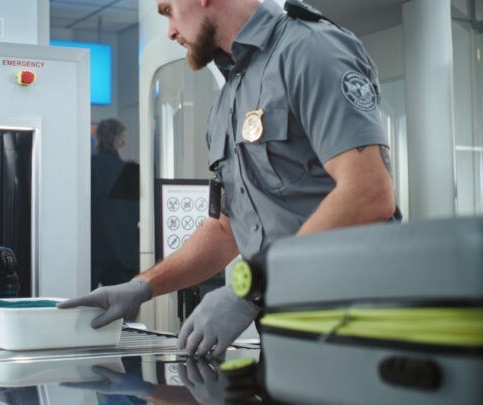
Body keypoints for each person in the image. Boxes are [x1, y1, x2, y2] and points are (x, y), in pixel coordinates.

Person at [59, 0, 400, 359]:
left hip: (359, 325)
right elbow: (226, 229)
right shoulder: (229, 98)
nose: (171, 31)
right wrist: (143, 286)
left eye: (168, 10)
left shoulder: (310, 50)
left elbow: (368, 194)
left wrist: (249, 291)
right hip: (289, 330)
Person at [90, 118, 140, 289]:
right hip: (123, 255)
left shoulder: (88, 166)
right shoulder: (130, 172)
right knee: (121, 311)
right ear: (120, 141)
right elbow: (136, 215)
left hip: (93, 252)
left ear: (97, 139)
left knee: (83, 308)